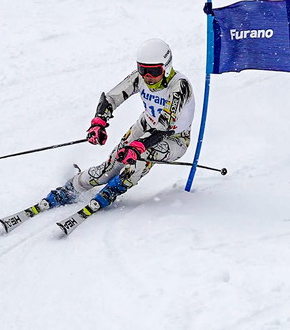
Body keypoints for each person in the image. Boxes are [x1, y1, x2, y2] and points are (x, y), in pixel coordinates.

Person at [43, 37, 196, 210]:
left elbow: (165, 126)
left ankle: (116, 188)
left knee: (138, 159)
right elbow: (110, 98)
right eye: (143, 69)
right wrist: (99, 122)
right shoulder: (139, 78)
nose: (147, 77)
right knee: (109, 168)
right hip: (145, 126)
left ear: (166, 67)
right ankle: (72, 188)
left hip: (174, 139)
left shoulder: (179, 86)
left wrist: (137, 147)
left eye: (153, 71)